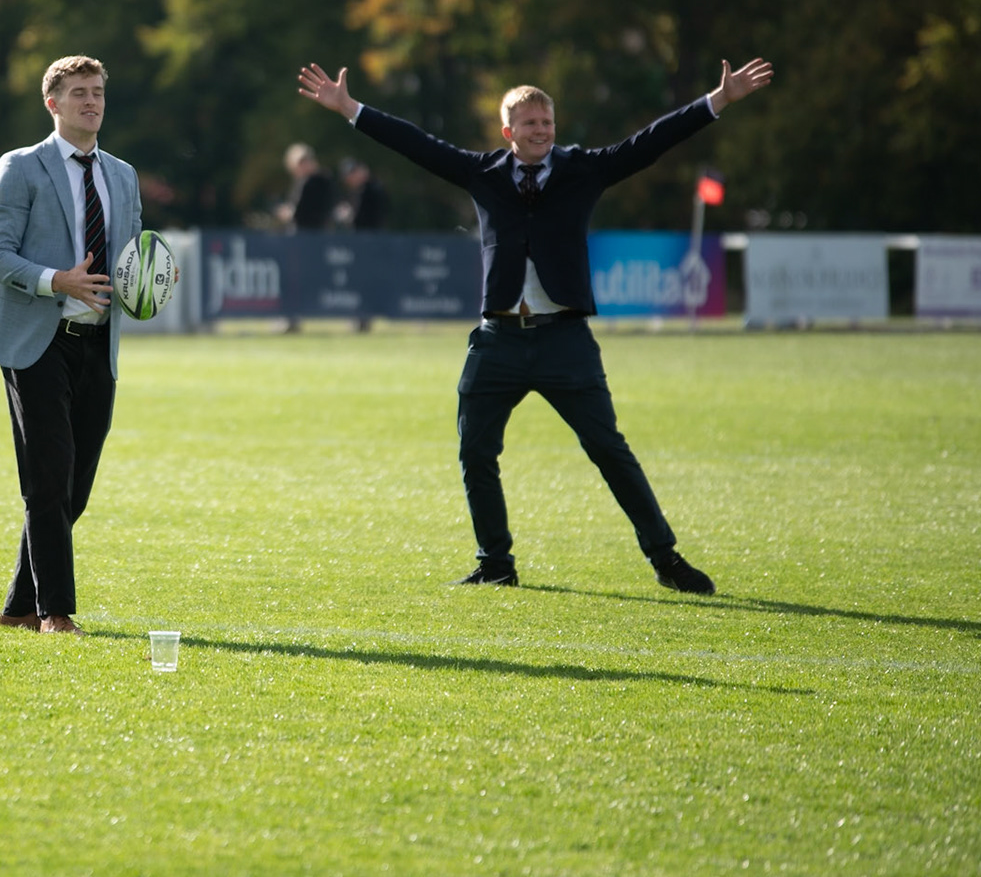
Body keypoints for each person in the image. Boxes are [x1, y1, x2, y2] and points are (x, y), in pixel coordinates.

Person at [297, 57, 774, 593]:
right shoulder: (482, 173)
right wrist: (350, 109)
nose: (541, 130)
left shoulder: (584, 170)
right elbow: (417, 145)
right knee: (475, 453)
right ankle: (495, 564)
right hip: (498, 340)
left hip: (565, 340)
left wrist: (718, 101)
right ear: (509, 132)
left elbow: (649, 142)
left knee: (609, 450)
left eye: (547, 122)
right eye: (529, 123)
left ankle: (666, 558)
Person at [0, 55, 142, 636]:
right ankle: (55, 613)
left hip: (99, 343)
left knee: (75, 488)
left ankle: (19, 607)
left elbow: (130, 262)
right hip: (34, 342)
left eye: (97, 92)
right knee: (48, 478)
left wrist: (149, 284)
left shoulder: (123, 175)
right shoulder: (19, 166)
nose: (91, 101)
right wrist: (57, 280)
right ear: (53, 104)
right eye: (78, 93)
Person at [277, 143, 335, 231]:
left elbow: (309, 211)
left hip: (315, 232)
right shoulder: (300, 182)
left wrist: (290, 214)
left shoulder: (320, 181)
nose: (306, 164)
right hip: (302, 231)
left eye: (307, 160)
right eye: (301, 162)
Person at [337, 157, 387, 230]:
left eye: (349, 176)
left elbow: (373, 219)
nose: (347, 181)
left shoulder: (373, 190)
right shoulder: (357, 192)